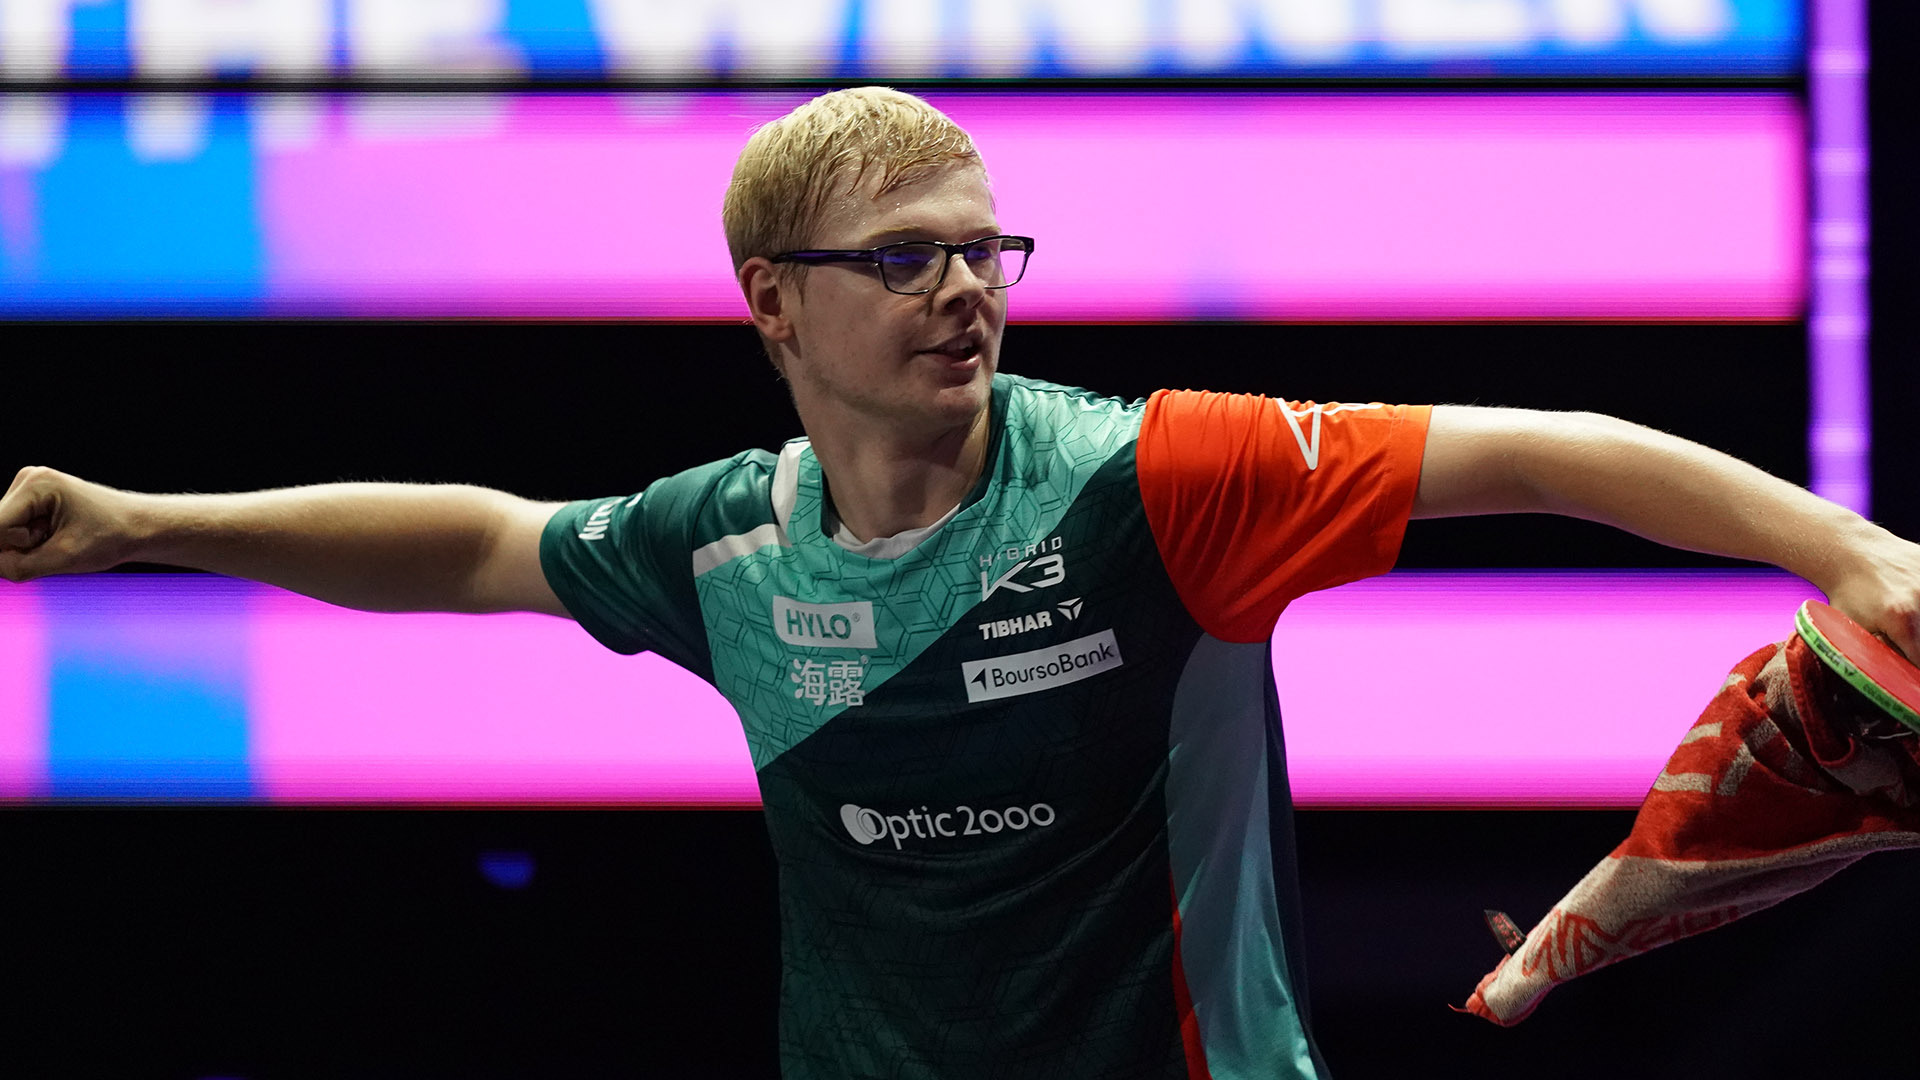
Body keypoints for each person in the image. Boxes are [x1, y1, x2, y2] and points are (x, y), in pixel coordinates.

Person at [2, 86, 1917, 1079]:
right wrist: (147, 525)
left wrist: (1851, 548)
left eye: (985, 250)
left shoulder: (1156, 479)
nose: (967, 292)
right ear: (775, 304)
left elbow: (1533, 448)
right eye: (905, 259)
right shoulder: (726, 545)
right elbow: (481, 543)